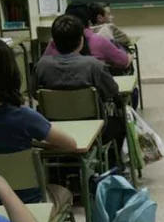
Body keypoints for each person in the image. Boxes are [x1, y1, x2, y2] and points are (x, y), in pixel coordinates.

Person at [0, 38, 76, 205]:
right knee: (63, 193)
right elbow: (70, 144)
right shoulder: (25, 117)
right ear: (11, 73)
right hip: (29, 206)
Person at [36, 15, 125, 156]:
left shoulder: (42, 66)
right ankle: (112, 168)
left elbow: (34, 92)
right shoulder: (93, 65)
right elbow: (112, 91)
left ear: (53, 42)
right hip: (94, 128)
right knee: (120, 124)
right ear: (81, 40)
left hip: (55, 130)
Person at [44, 2, 132, 71]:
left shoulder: (53, 45)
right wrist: (128, 55)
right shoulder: (98, 43)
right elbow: (124, 62)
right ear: (89, 22)